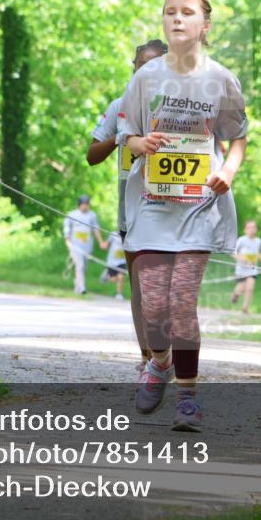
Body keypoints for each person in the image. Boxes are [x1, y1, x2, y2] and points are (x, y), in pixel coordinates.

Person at [122, 0, 248, 432]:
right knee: (154, 309)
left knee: (181, 303)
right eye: (169, 12)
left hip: (199, 207)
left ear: (205, 25)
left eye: (187, 12)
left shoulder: (221, 79)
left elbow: (238, 138)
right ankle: (159, 362)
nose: (177, 19)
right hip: (153, 206)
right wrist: (140, 143)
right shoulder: (146, 78)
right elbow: (126, 137)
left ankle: (189, 398)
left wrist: (228, 172)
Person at [87, 39, 167, 370]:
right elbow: (92, 155)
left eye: (154, 67)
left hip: (172, 208)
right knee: (139, 283)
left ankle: (166, 352)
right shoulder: (119, 106)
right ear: (132, 69)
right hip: (131, 209)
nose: (146, 74)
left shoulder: (178, 107)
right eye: (140, 67)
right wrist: (119, 139)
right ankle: (148, 355)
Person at [63, 195, 107, 295]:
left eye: (87, 204)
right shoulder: (72, 215)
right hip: (75, 246)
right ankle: (82, 287)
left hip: (87, 246)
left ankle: (77, 285)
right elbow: (67, 230)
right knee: (80, 265)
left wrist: (101, 242)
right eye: (83, 204)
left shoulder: (92, 215)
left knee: (83, 267)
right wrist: (68, 243)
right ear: (79, 204)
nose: (85, 206)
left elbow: (96, 229)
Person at [231, 220, 261, 315]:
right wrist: (242, 258)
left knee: (250, 286)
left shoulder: (258, 241)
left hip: (252, 269)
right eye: (249, 227)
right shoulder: (241, 240)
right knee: (241, 287)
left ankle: (245, 309)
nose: (252, 230)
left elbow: (257, 251)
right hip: (241, 269)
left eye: (254, 227)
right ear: (245, 229)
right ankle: (235, 294)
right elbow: (233, 252)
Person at [103, 230, 127, 300]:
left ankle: (119, 294)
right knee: (113, 279)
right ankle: (107, 275)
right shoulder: (113, 234)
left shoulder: (129, 236)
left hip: (122, 261)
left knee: (121, 277)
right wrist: (103, 244)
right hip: (112, 262)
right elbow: (106, 245)